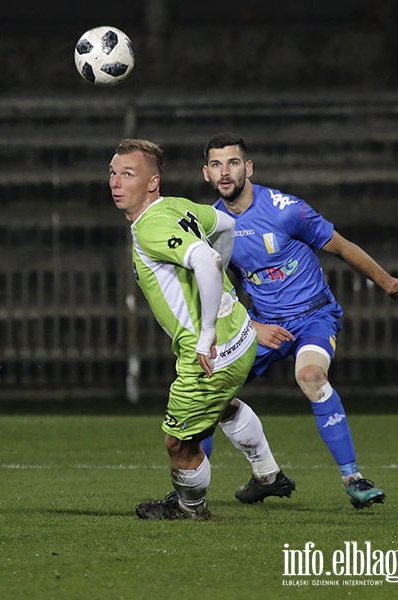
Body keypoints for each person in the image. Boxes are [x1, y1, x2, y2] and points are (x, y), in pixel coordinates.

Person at [201, 131, 398, 509]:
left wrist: (388, 284)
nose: (225, 172)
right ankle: (242, 480)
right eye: (216, 165)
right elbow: (216, 287)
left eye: (232, 163)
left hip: (313, 316)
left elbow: (342, 247)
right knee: (206, 389)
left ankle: (354, 479)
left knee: (311, 377)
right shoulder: (212, 226)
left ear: (248, 168)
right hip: (263, 325)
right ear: (206, 174)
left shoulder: (286, 209)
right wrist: (251, 325)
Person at [110, 139, 294, 521]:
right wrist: (223, 291)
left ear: (151, 183)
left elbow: (207, 260)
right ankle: (267, 473)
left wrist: (206, 334)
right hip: (242, 333)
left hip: (213, 351)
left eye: (129, 174)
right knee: (220, 407)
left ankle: (190, 508)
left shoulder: (151, 226)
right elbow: (225, 224)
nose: (116, 182)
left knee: (179, 443)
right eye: (113, 173)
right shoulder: (177, 206)